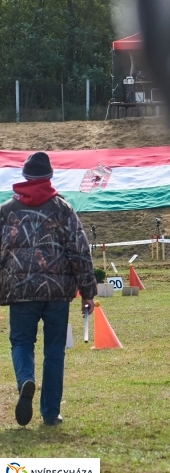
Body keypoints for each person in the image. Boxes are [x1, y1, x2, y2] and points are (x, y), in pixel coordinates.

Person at [1, 152, 97, 427]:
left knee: (21, 343)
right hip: (57, 292)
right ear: (50, 177)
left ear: (25, 177)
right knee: (55, 350)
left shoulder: (7, 211)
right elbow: (79, 251)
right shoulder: (62, 209)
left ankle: (25, 380)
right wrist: (87, 291)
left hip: (20, 291)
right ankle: (51, 413)